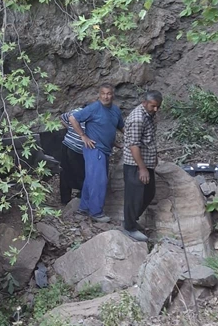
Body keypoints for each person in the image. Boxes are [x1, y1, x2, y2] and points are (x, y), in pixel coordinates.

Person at [68, 84, 124, 223]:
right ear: (99, 95)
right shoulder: (94, 108)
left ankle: (84, 208)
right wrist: (83, 136)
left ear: (113, 95)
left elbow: (120, 127)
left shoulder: (115, 110)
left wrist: (126, 141)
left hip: (105, 149)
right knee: (99, 180)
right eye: (103, 93)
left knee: (91, 179)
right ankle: (96, 212)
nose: (106, 96)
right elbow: (72, 118)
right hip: (94, 148)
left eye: (109, 93)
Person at [122, 91, 163, 242]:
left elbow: (148, 139)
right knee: (135, 196)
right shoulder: (137, 119)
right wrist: (142, 168)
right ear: (144, 103)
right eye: (153, 106)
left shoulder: (149, 115)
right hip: (135, 165)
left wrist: (154, 157)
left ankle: (131, 220)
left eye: (158, 106)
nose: (156, 109)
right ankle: (129, 227)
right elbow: (134, 145)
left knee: (148, 193)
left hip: (146, 162)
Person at [59, 106, 88, 205]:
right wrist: (73, 129)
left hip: (67, 144)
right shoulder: (92, 115)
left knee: (64, 172)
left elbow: (62, 117)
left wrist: (70, 128)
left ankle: (65, 199)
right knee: (80, 173)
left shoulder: (76, 111)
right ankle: (81, 196)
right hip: (77, 148)